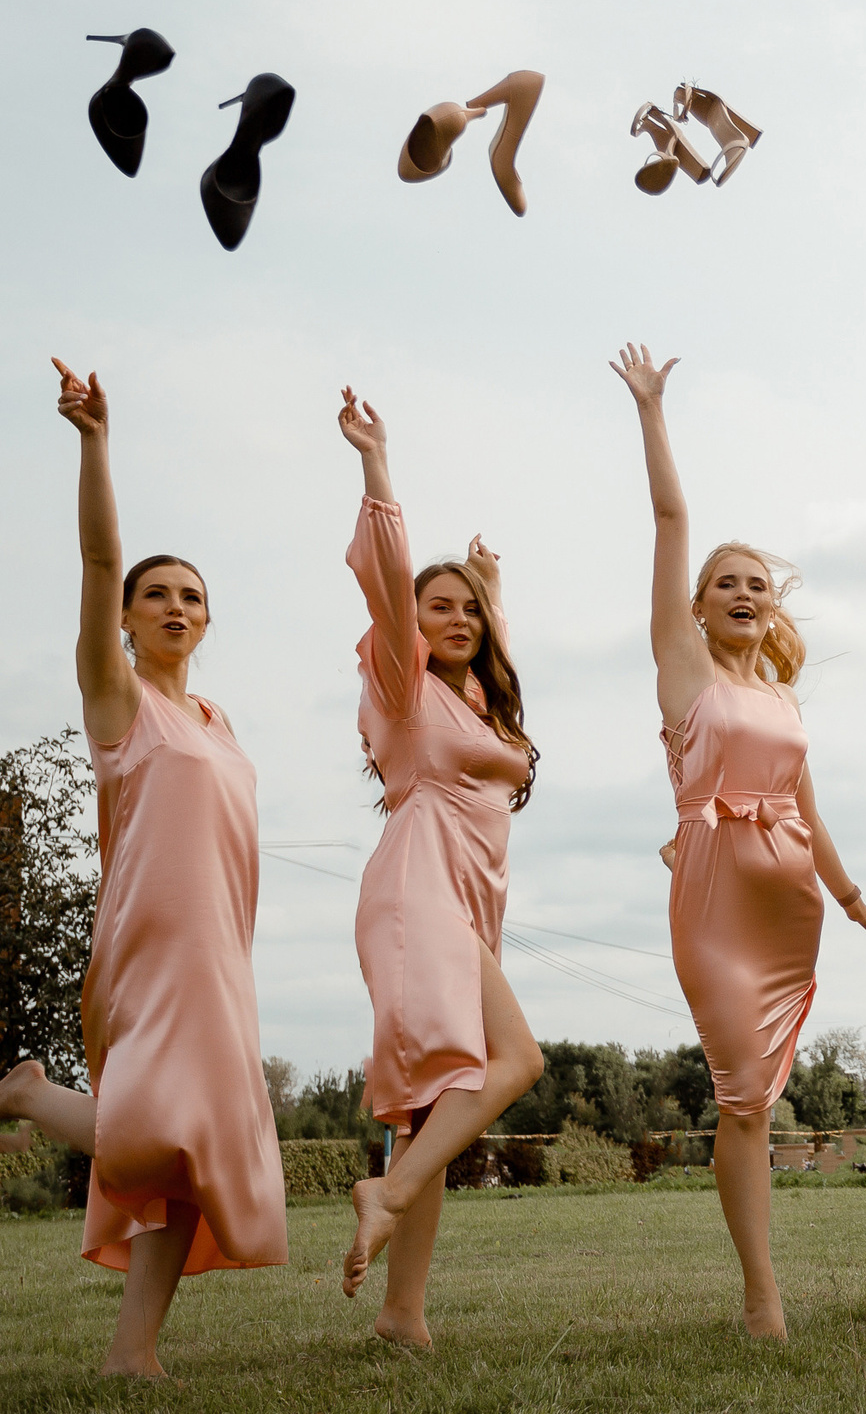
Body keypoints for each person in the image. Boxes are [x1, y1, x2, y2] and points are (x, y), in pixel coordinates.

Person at [0, 361, 286, 1377]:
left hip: (219, 949)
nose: (174, 605)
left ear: (206, 622)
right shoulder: (120, 702)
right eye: (156, 594)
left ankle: (134, 1352)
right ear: (124, 619)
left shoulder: (220, 721)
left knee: (184, 1159)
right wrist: (95, 444)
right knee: (163, 1133)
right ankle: (31, 1097)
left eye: (191, 597)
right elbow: (94, 555)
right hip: (150, 945)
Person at [610, 343, 866, 1339]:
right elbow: (669, 520)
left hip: (792, 911)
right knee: (739, 1094)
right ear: (696, 605)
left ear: (772, 608)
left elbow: (807, 808)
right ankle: (760, 1294)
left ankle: (761, 1288)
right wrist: (651, 410)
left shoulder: (778, 694)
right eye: (726, 583)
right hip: (713, 897)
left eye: (758, 585)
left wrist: (854, 897)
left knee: (757, 1103)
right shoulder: (684, 671)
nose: (743, 593)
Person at [332, 389, 547, 1343]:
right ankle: (391, 1191)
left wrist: (493, 596)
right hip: (418, 892)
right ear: (409, 624)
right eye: (437, 606)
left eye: (467, 609)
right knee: (516, 1060)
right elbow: (386, 580)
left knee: (429, 1109)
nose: (454, 619)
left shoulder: (483, 708)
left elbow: (501, 698)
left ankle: (402, 1316)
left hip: (467, 901)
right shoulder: (404, 686)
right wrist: (378, 466)